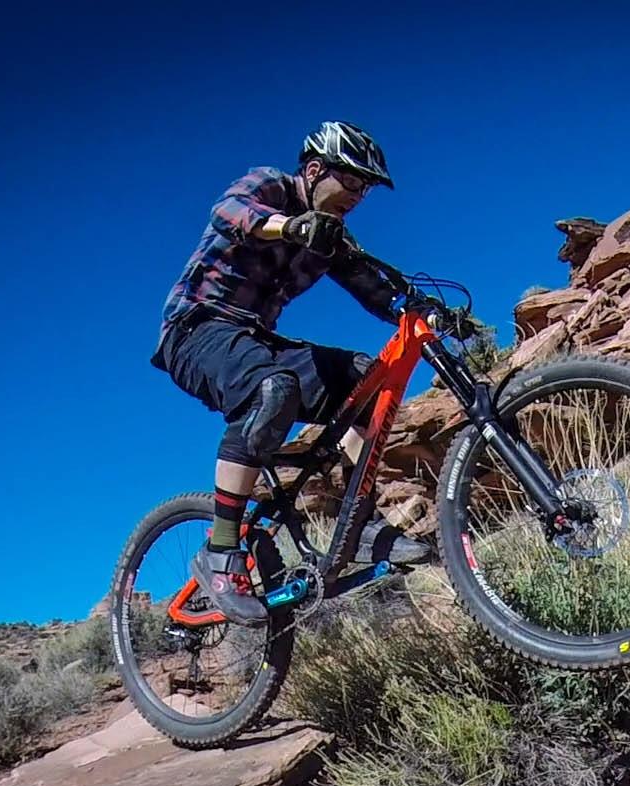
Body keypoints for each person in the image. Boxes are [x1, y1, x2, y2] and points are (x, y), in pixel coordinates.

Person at [153, 121, 428, 624]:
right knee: (273, 389)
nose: (358, 196)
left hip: (258, 339)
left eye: (365, 189)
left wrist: (421, 308)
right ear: (316, 169)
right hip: (195, 330)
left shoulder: (332, 236)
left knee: (369, 379)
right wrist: (291, 226)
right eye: (352, 182)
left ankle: (358, 522)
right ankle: (220, 553)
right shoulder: (270, 185)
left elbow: (371, 287)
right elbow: (231, 213)